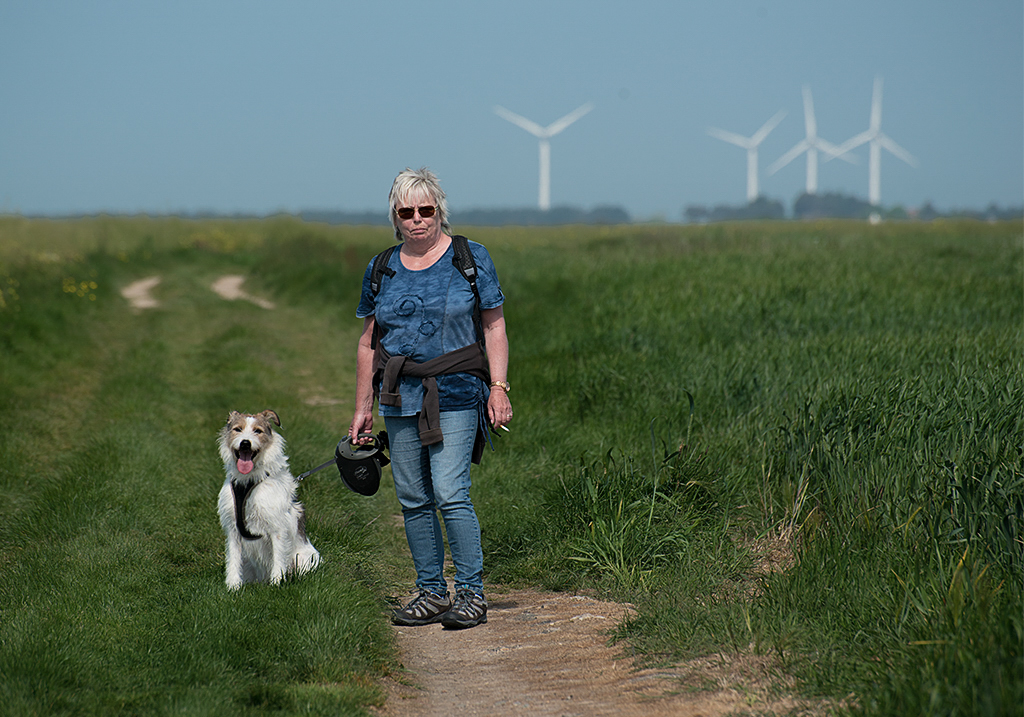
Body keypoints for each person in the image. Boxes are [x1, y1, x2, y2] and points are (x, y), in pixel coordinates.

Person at [348, 167, 512, 629]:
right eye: (407, 211)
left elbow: (494, 325)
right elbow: (367, 343)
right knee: (413, 496)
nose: (418, 219)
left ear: (440, 210)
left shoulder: (469, 257)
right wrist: (362, 407)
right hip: (398, 394)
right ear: (395, 217)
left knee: (449, 492)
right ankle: (431, 593)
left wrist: (498, 388)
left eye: (427, 210)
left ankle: (472, 595)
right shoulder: (381, 267)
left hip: (458, 388)